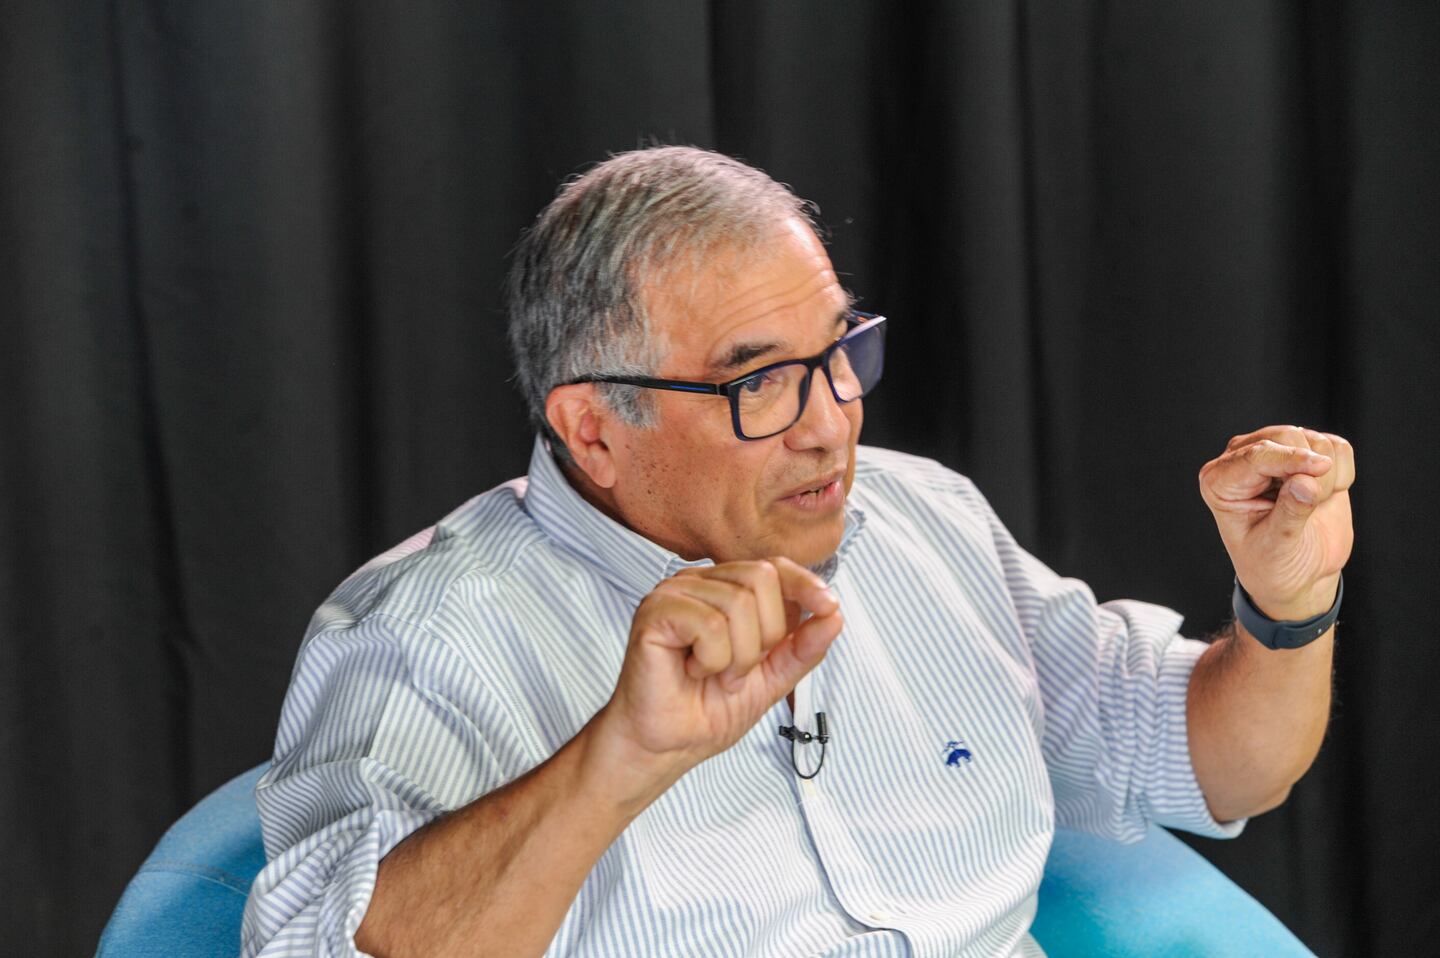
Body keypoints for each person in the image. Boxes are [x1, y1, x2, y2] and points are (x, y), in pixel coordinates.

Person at [240, 146, 1354, 957]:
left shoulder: (924, 517)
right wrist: (619, 757)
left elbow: (1216, 762)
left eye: (839, 353)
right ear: (593, 429)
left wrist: (1285, 606)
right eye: (761, 381)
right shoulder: (425, 638)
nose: (831, 422)